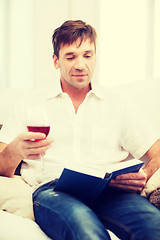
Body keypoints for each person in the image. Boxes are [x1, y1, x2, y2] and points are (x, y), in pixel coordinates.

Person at [0, 20, 160, 240]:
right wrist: (16, 150)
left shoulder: (119, 103)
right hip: (54, 191)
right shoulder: (29, 103)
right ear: (56, 61)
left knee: (154, 227)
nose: (80, 65)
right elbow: (1, 165)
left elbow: (157, 151)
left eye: (87, 55)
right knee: (87, 232)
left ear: (95, 58)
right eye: (70, 56)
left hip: (110, 191)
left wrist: (144, 174)